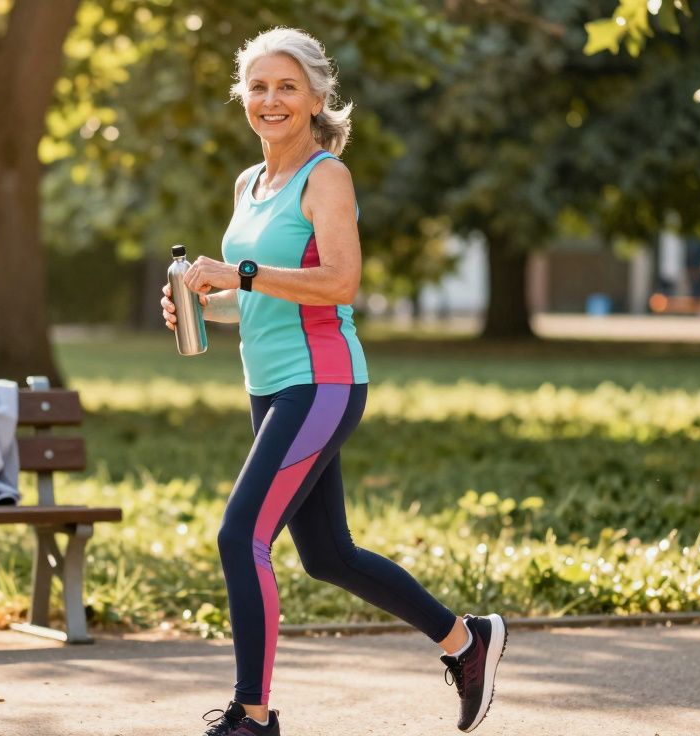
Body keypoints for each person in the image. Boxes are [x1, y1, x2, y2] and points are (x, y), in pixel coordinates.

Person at [160, 28, 506, 735]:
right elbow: (252, 299)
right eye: (258, 87)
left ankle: (251, 717)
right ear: (243, 99)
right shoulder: (249, 184)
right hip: (270, 384)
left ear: (318, 97)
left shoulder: (327, 178)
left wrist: (241, 272)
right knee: (327, 555)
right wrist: (204, 303)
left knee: (240, 537)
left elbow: (340, 282)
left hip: (322, 384)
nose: (271, 99)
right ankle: (465, 643)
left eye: (287, 86)